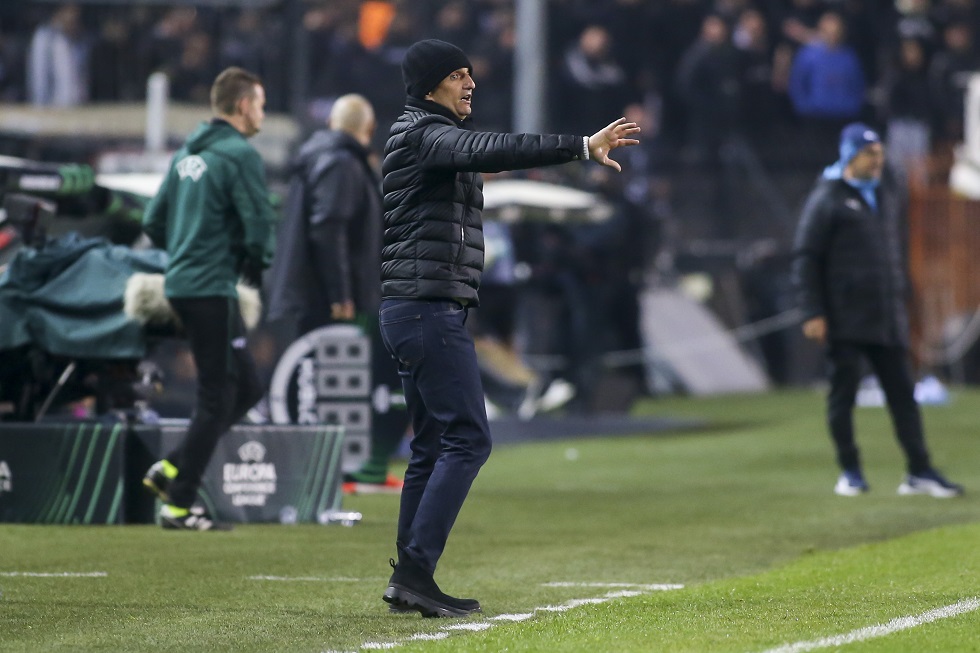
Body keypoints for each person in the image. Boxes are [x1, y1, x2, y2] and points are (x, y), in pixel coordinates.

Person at [378, 38, 640, 617]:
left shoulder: (418, 135)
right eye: (457, 75)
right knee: (469, 439)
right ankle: (416, 570)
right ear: (429, 86)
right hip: (426, 310)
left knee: (430, 446)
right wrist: (580, 145)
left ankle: (408, 575)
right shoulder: (426, 134)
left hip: (411, 308)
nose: (470, 83)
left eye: (470, 74)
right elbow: (491, 147)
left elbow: (482, 156)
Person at [791, 122, 963, 499]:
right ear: (850, 155)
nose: (878, 160)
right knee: (843, 396)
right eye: (870, 154)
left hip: (886, 316)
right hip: (845, 317)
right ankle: (850, 471)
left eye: (880, 153)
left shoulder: (886, 192)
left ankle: (919, 470)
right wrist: (812, 311)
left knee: (904, 397)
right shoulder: (827, 198)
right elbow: (806, 258)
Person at [141, 67, 277, 530]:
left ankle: (173, 467)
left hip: (184, 284)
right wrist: (254, 261)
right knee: (217, 397)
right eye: (260, 105)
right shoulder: (240, 154)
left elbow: (153, 221)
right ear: (243, 105)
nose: (262, 114)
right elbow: (258, 223)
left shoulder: (185, 154)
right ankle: (179, 505)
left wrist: (186, 249)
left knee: (247, 388)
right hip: (211, 287)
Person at [266, 93, 408, 494]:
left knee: (336, 378)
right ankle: (345, 471)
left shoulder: (318, 157)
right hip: (336, 298)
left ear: (332, 123)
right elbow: (330, 229)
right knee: (348, 379)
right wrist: (342, 293)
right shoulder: (341, 162)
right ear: (369, 128)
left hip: (316, 293)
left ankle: (348, 470)